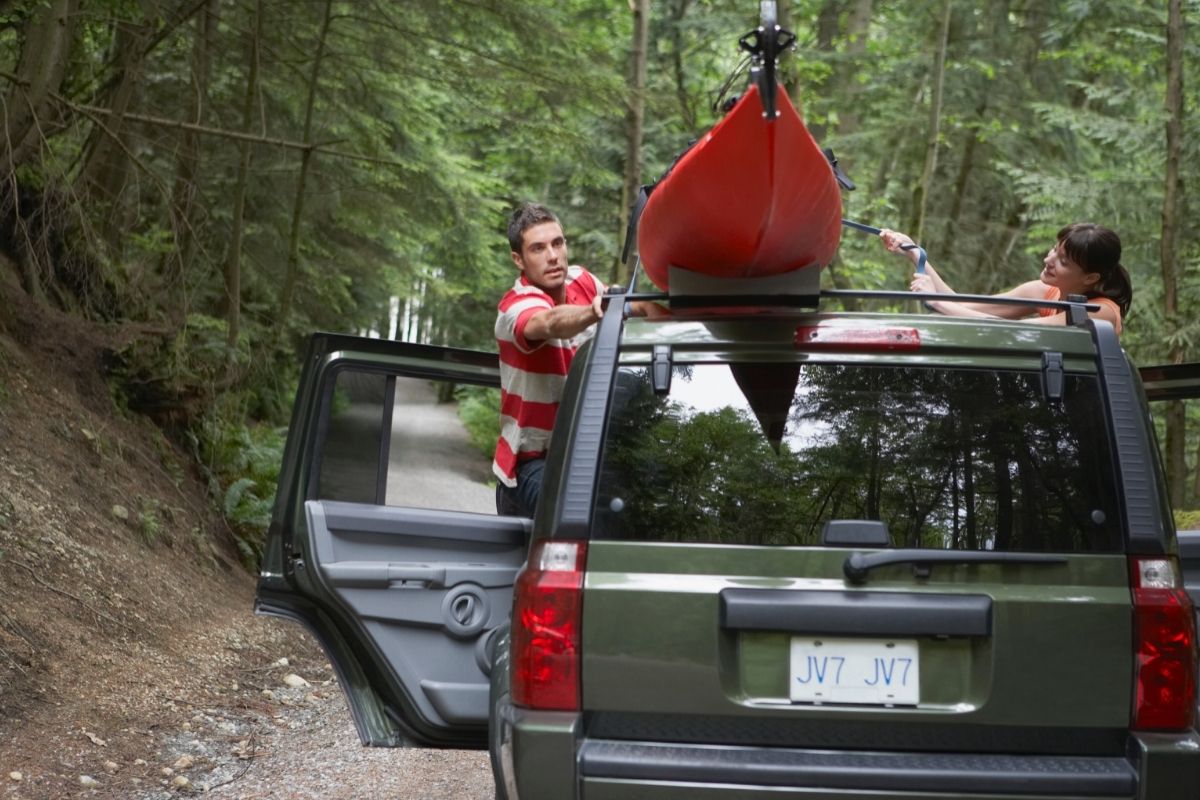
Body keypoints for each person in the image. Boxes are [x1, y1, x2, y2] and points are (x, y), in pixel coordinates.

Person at [493, 202, 607, 518]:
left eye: (557, 243)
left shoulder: (583, 281)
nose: (553, 255)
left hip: (585, 455)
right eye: (538, 248)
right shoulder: (514, 307)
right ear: (519, 259)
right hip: (532, 464)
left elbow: (632, 310)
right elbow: (548, 323)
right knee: (578, 514)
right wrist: (593, 311)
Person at [879, 223, 1131, 335]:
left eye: (1063, 261)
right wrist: (915, 253)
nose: (1048, 260)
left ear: (1090, 277)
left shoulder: (1102, 313)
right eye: (1054, 250)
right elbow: (962, 305)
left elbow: (1020, 332)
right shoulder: (1043, 292)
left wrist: (936, 302)